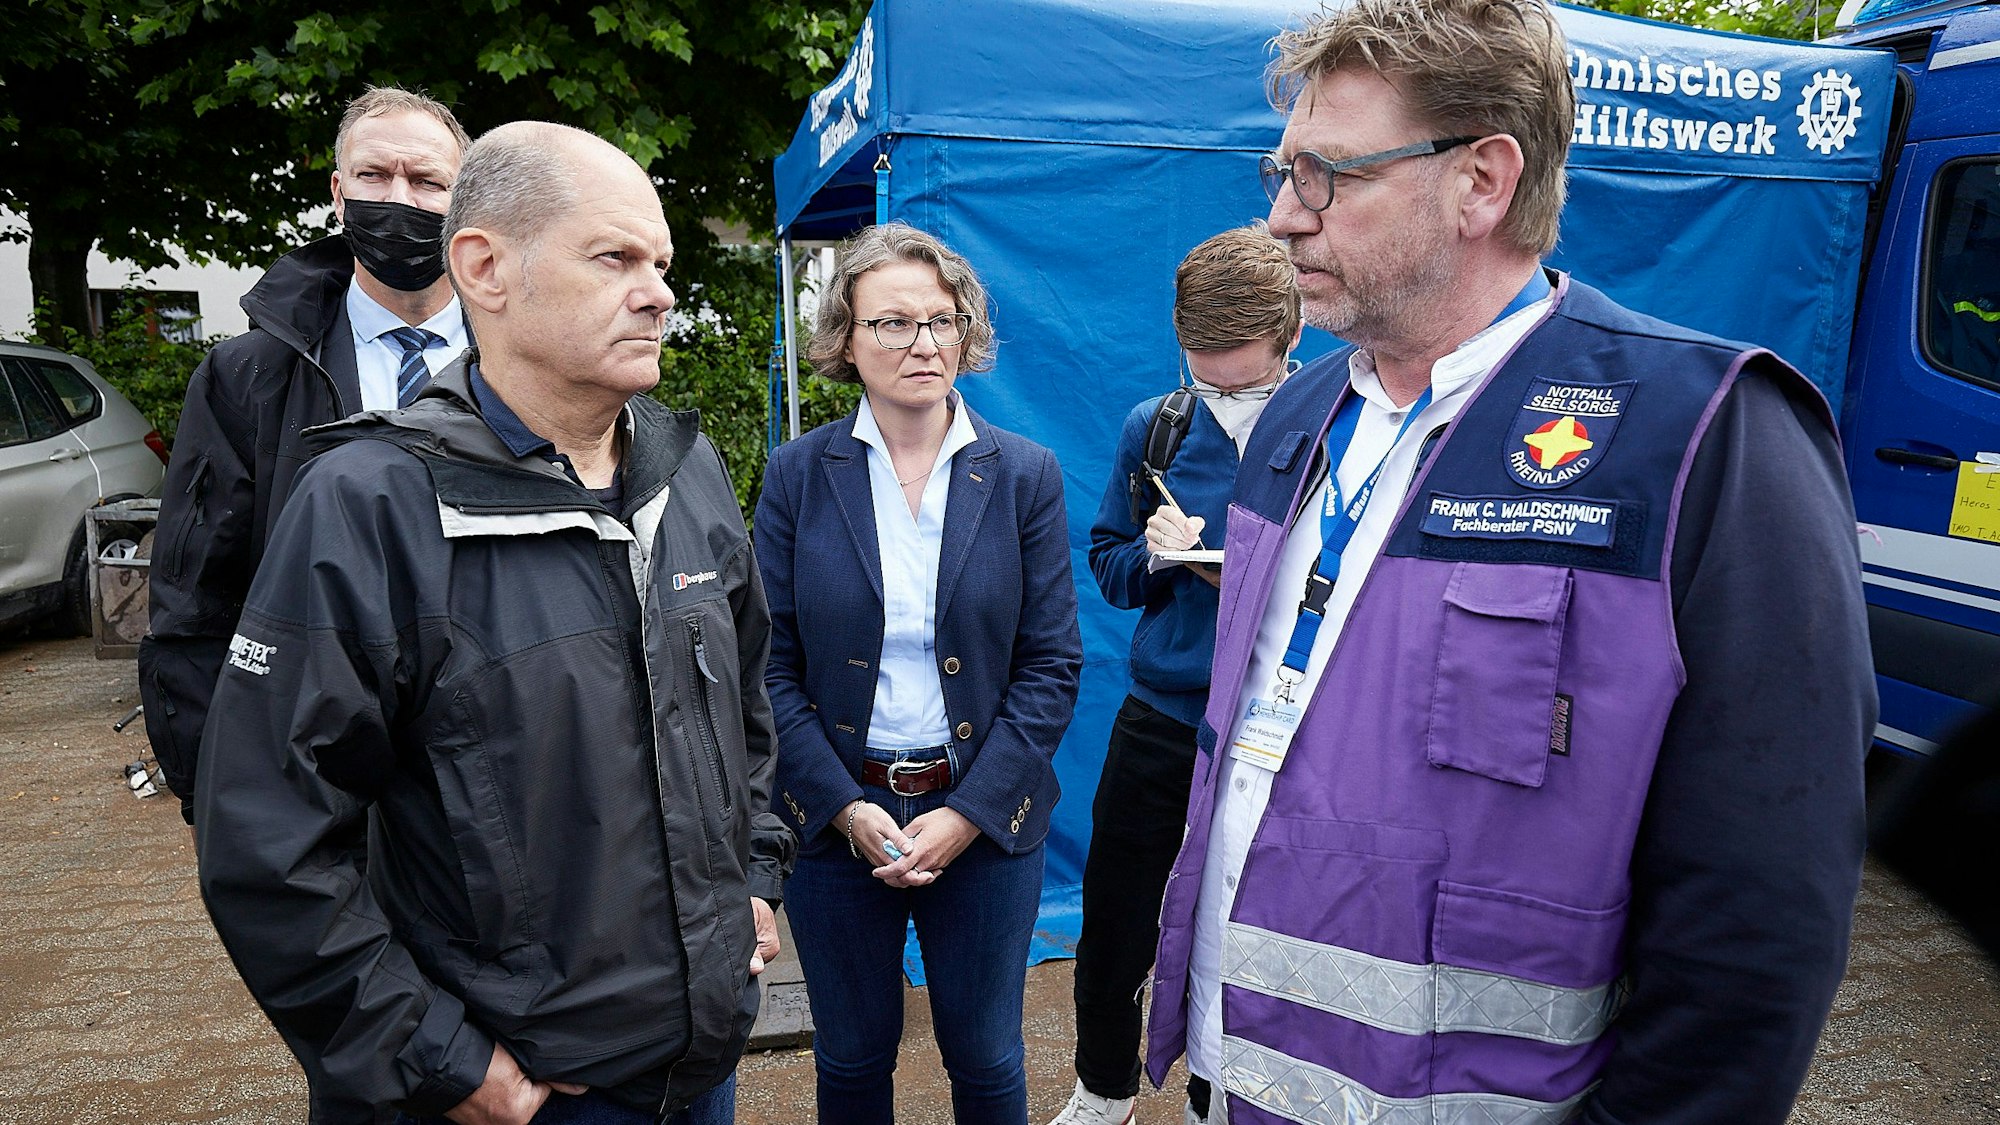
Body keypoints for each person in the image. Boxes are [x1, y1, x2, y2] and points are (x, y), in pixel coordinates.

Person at [1144, 2, 1877, 1123]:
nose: (1282, 217)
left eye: (1327, 176)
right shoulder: (1296, 416)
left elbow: (1755, 920)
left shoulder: (1704, 434)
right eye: (1279, 171)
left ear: (1481, 181)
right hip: (1234, 1086)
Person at [194, 121, 791, 1125]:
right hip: (520, 1088)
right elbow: (268, 837)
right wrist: (440, 1060)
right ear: (485, 268)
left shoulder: (684, 472)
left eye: (662, 263)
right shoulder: (369, 503)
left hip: (699, 1062)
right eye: (616, 257)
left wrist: (757, 878)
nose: (660, 291)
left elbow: (745, 708)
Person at [753, 221, 1083, 1124]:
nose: (924, 343)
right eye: (893, 323)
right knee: (853, 1058)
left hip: (982, 813)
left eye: (941, 320)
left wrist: (968, 814)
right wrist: (845, 808)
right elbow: (770, 666)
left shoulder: (1024, 474)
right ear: (844, 341)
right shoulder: (796, 475)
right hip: (836, 817)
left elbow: (1052, 664)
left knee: (986, 1058)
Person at [141, 86, 473, 826]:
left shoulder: (532, 364)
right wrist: (221, 795)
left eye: (427, 182)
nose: (398, 199)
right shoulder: (249, 377)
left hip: (496, 771)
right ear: (336, 191)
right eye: (373, 176)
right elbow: (193, 602)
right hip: (318, 773)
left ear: (466, 202)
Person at [1051, 226, 1300, 1125]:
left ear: (1290, 335)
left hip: (1275, 721)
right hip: (1161, 712)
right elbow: (1110, 568)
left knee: (1246, 923)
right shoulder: (1155, 426)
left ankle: (1215, 1089)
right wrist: (1157, 556)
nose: (1224, 393)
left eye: (1244, 378)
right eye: (1206, 373)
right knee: (1115, 918)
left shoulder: (1330, 421)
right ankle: (1104, 1084)